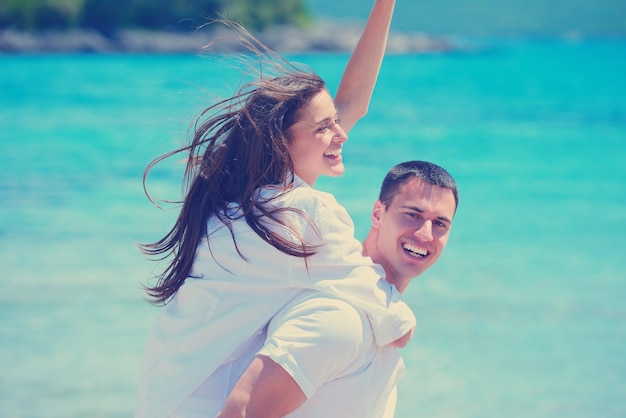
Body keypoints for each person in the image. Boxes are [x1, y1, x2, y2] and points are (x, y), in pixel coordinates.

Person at [135, 1, 414, 417]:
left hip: (165, 398)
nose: (341, 133)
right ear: (282, 143)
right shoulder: (302, 215)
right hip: (207, 408)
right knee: (355, 331)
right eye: (325, 128)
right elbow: (394, 326)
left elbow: (353, 102)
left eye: (335, 121)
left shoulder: (240, 200)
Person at [217, 160, 459, 417]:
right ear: (378, 214)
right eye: (413, 215)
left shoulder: (381, 319)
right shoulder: (340, 319)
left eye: (439, 224)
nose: (425, 234)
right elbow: (239, 412)